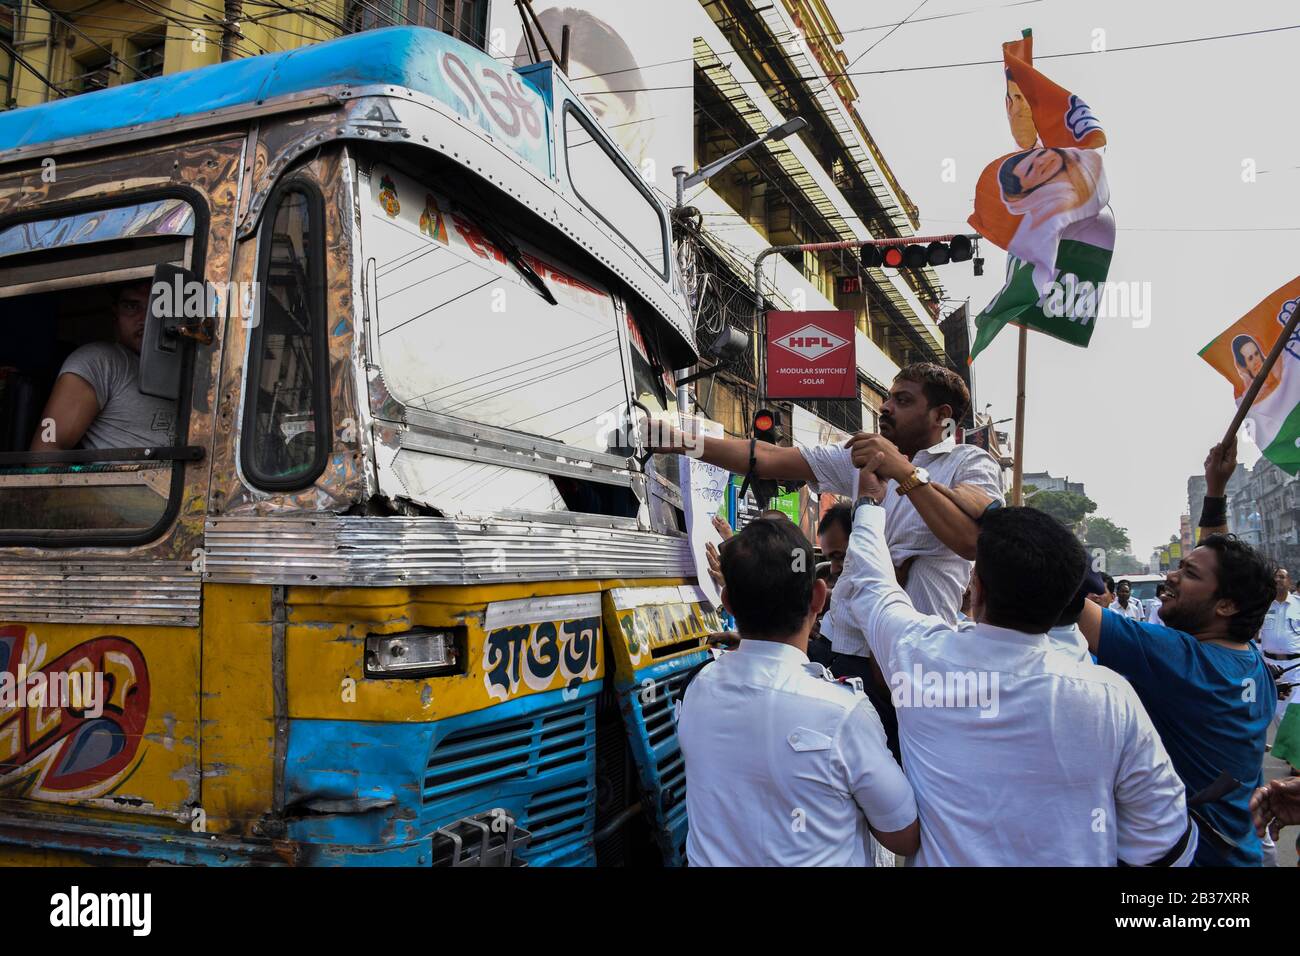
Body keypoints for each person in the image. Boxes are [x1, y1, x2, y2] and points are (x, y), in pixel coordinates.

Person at [840, 456, 1195, 866]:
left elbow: (872, 584)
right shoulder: (1110, 699)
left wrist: (868, 504)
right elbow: (1162, 844)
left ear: (976, 589)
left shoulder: (920, 658)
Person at [650, 364, 1004, 759]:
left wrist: (903, 471)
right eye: (888, 397)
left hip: (908, 670)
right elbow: (764, 456)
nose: (885, 408)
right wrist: (680, 441)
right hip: (839, 652)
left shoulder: (969, 464)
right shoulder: (860, 459)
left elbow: (970, 541)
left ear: (942, 416)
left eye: (903, 401)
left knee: (894, 789)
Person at [1075, 437, 1276, 866]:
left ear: (1225, 606)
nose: (1170, 575)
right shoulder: (1250, 660)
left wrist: (1007, 530)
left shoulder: (1180, 659)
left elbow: (1057, 589)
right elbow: (1222, 570)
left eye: (1187, 572)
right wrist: (1216, 491)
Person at [678, 516, 920, 866]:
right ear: (819, 597)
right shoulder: (843, 713)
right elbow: (903, 834)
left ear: (727, 602)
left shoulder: (697, 688)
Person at [31, 280, 176, 452]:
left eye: (157, 307)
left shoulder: (186, 369)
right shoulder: (99, 361)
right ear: (116, 316)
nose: (145, 319)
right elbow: (47, 448)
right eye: (131, 306)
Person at [1259, 567, 1300, 728]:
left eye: (1282, 577)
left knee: (1295, 709)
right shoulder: (1264, 606)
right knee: (1276, 710)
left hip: (1295, 666)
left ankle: (1292, 748)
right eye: (1275, 577)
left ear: (1288, 581)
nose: (1278, 580)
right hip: (1271, 666)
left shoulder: (1298, 604)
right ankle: (1289, 745)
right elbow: (1255, 633)